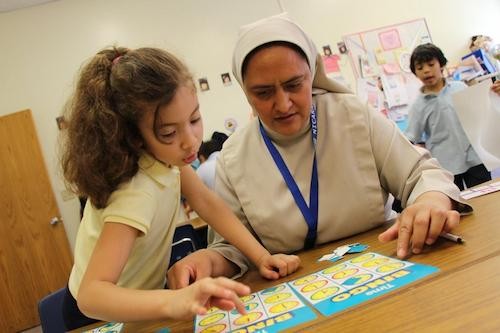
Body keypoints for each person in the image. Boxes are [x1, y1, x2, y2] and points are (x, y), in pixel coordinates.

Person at [167, 13, 471, 289]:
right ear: (245, 91)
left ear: (311, 74)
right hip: (298, 288)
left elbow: (422, 173)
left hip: (388, 267)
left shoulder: (352, 115)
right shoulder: (234, 155)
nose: (283, 104)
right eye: (262, 93)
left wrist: (430, 199)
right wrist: (207, 261)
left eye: (294, 84)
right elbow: (232, 247)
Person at [59, 46, 300, 329]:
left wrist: (261, 256)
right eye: (169, 132)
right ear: (133, 135)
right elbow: (91, 295)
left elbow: (206, 202)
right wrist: (172, 301)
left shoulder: (167, 160)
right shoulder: (135, 193)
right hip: (96, 317)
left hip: (135, 304)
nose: (190, 141)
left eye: (195, 119)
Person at [404, 43, 491, 190]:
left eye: (431, 64)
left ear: (441, 65)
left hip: (475, 158)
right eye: (420, 68)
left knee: (486, 197)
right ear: (415, 73)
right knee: (458, 208)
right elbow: (412, 137)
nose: (426, 70)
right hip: (446, 166)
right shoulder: (418, 106)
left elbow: (480, 114)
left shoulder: (460, 88)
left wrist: (493, 94)